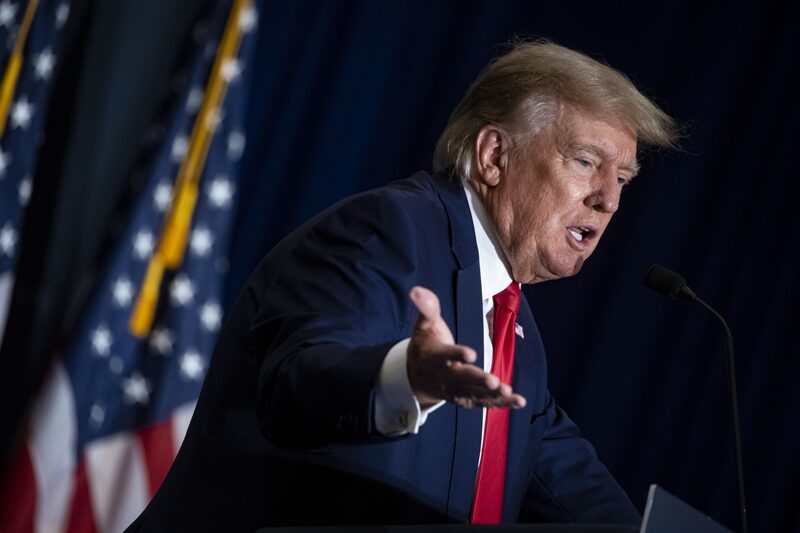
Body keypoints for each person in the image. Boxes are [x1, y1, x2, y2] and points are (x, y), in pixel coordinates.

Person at [128, 40, 677, 531]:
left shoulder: (515, 332)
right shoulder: (387, 232)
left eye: (622, 180)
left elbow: (572, 488)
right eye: (586, 163)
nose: (608, 200)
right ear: (493, 156)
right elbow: (296, 383)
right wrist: (406, 378)